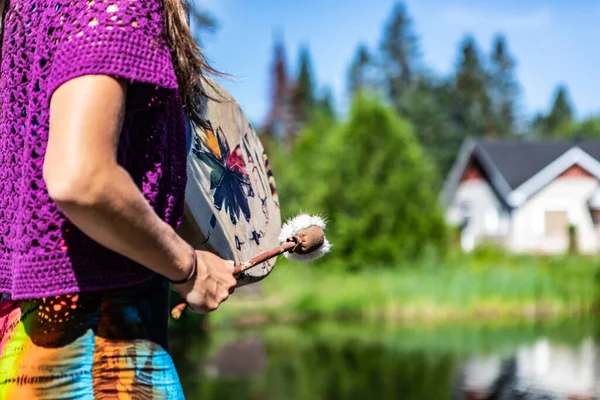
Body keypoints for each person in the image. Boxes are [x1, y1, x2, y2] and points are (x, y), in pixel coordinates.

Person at [0, 0, 237, 398]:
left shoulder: (26, 13)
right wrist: (189, 268)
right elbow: (82, 179)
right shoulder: (108, 5)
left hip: (21, 347)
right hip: (99, 357)